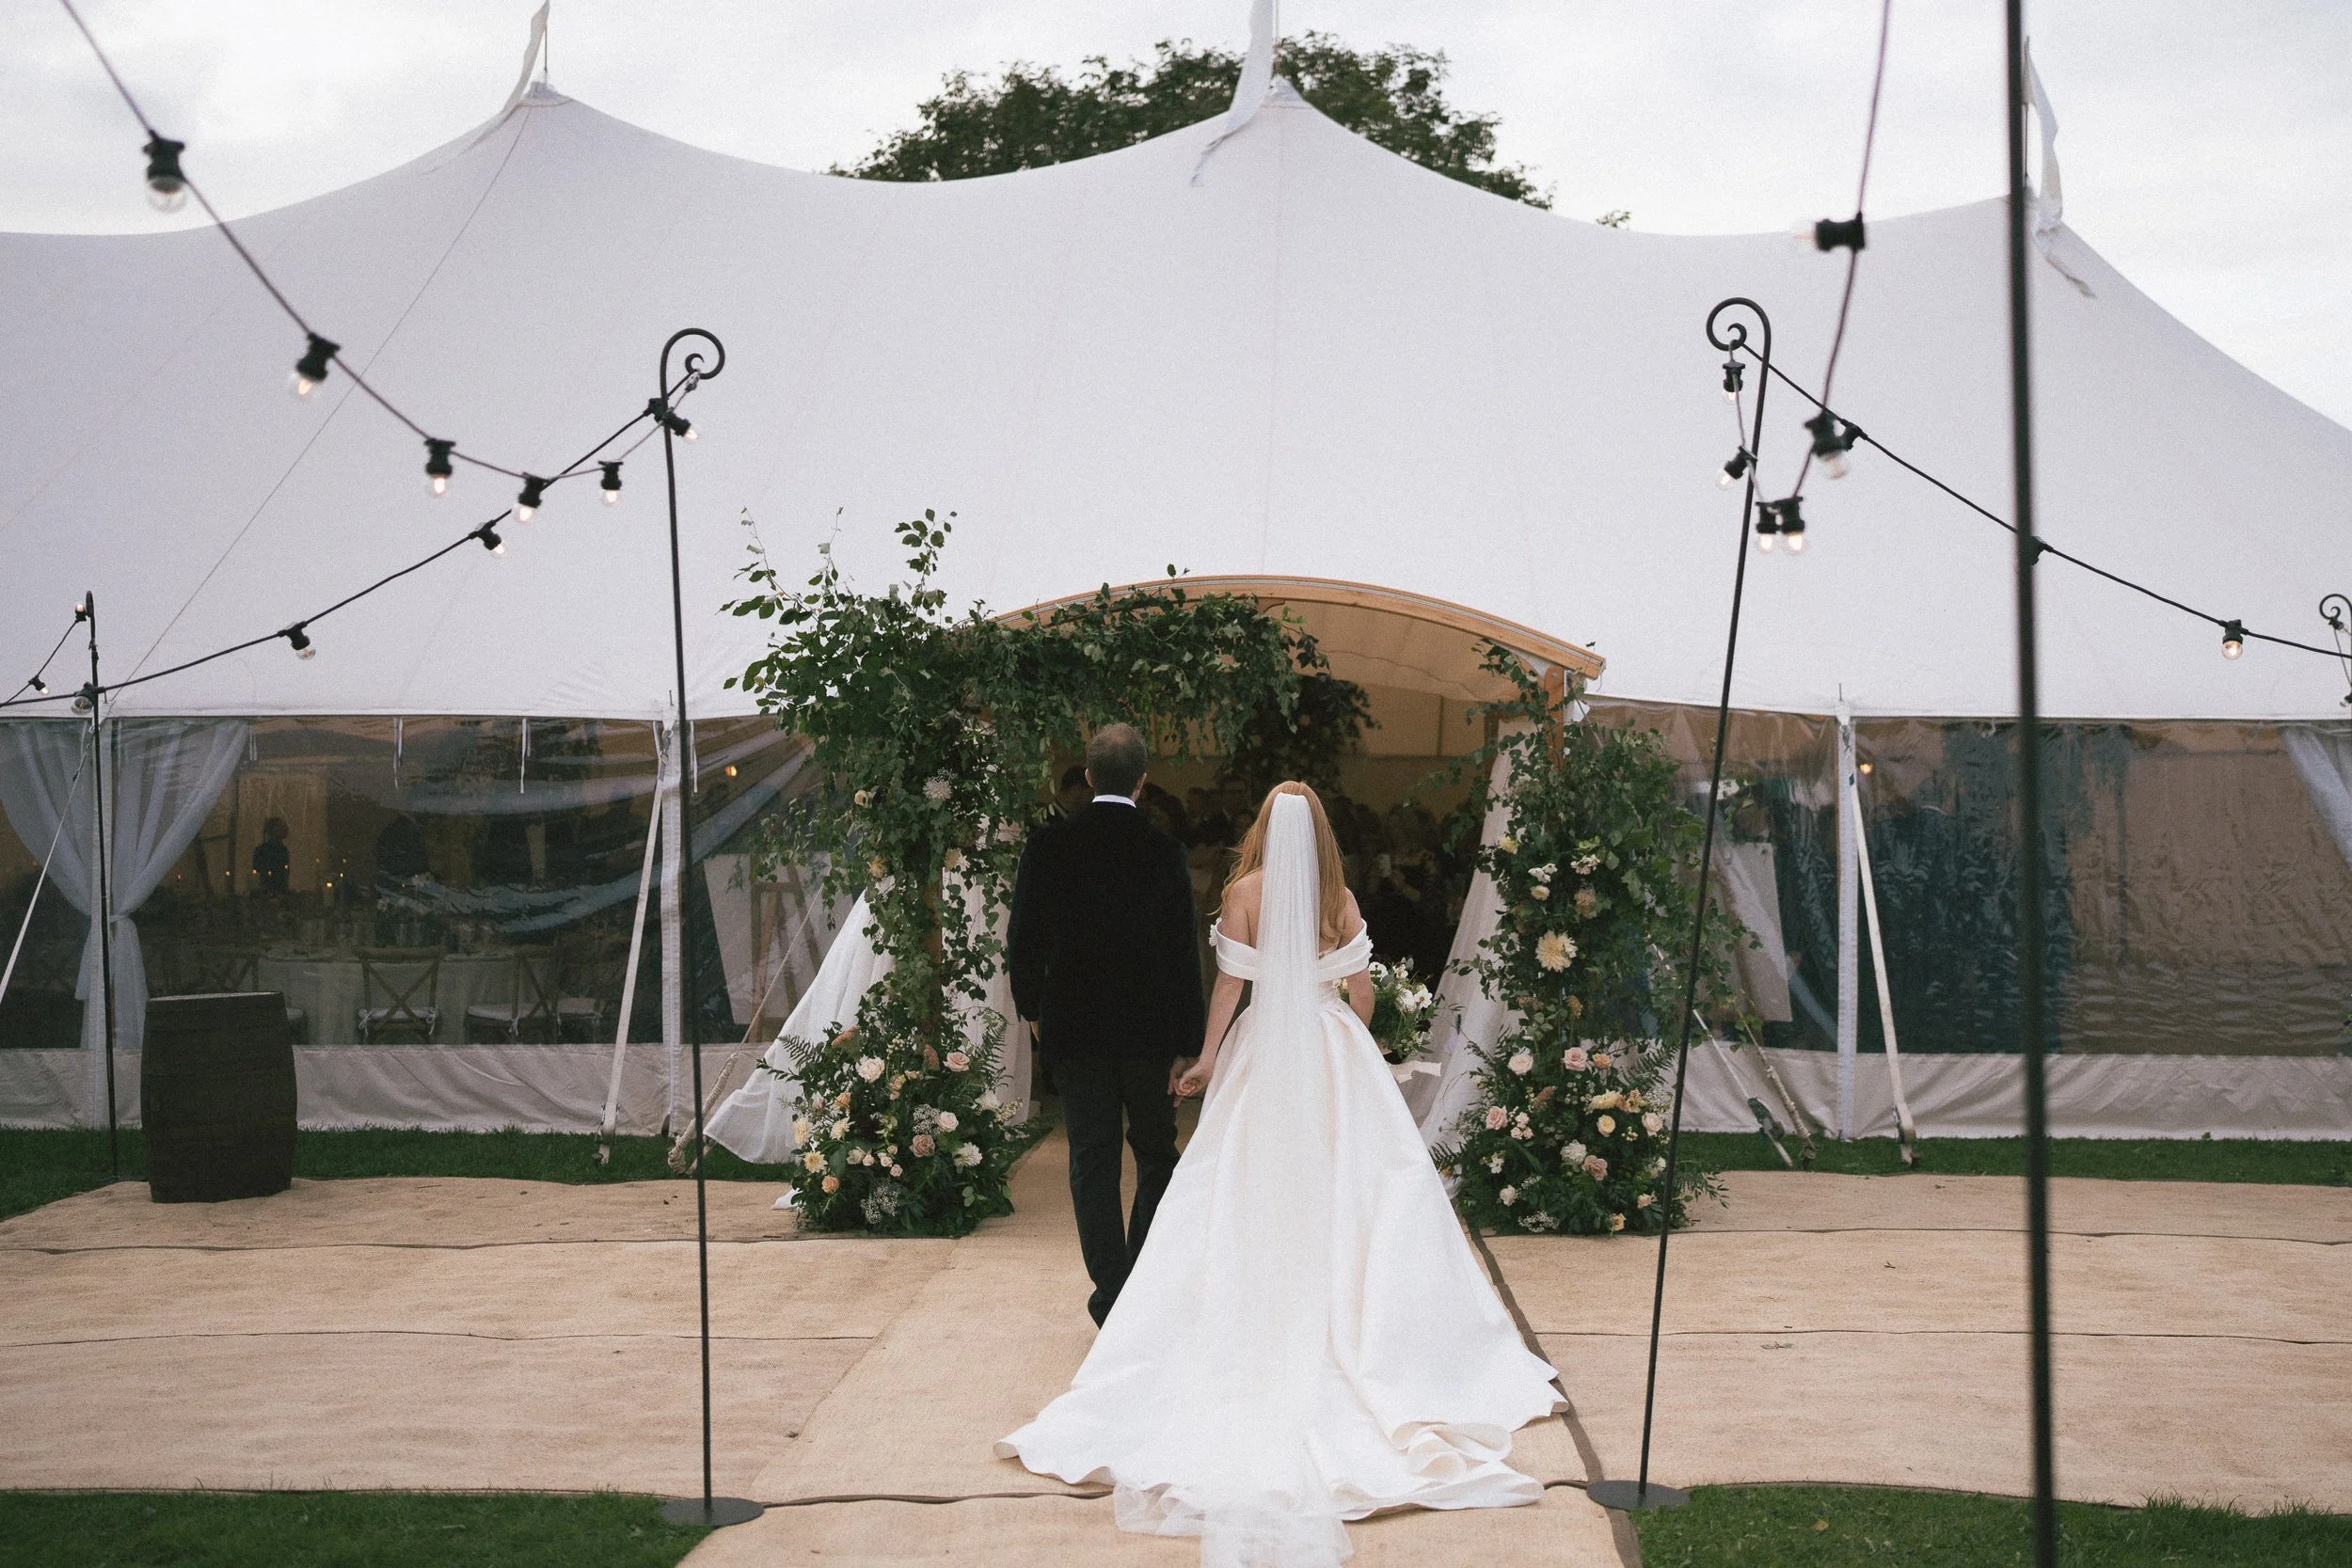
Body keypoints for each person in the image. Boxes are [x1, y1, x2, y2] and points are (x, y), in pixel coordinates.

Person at [998, 783, 1558, 1566]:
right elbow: (1361, 992)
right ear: (1321, 831)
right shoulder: (1340, 897)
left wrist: (1206, 1058)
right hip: (1329, 1046)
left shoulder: (1243, 893)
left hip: (1265, 1046)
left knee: (1238, 1181)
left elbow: (1230, 985)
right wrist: (1344, 1030)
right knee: (1355, 1184)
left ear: (1265, 826)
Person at [1008, 723, 1205, 1326]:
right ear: (1143, 782)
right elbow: (1183, 953)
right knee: (1156, 1152)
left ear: (1089, 777)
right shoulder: (1165, 852)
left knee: (1091, 1159)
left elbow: (1023, 937)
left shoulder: (1049, 846)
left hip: (1076, 1028)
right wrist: (1188, 1043)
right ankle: (1135, 1280)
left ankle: (1111, 1290)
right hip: (1149, 1034)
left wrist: (1033, 1009)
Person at [250, 817, 292, 896]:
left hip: (280, 889)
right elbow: (259, 872)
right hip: (266, 890)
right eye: (279, 827)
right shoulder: (262, 850)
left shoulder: (283, 850)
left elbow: (284, 871)